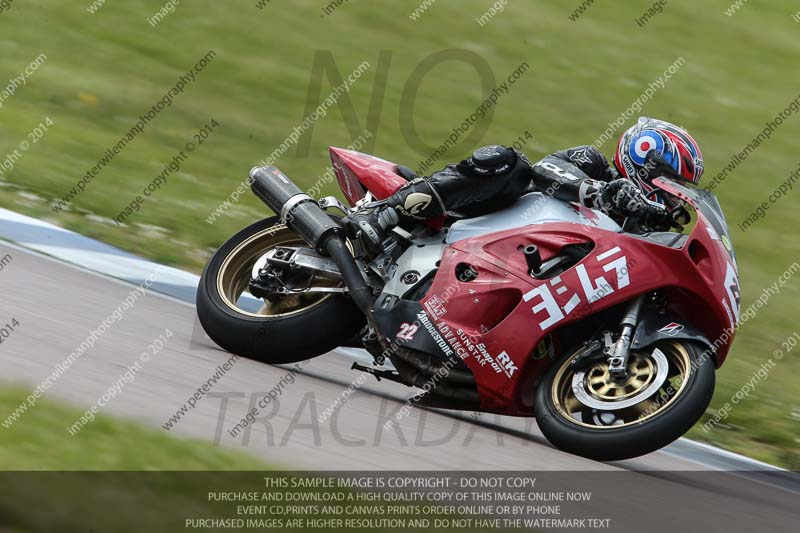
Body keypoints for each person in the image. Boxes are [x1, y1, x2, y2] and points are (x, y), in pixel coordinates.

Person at [344, 117, 704, 256]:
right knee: (510, 163)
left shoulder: (642, 228)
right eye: (669, 177)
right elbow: (547, 169)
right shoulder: (595, 164)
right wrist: (601, 194)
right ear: (642, 157)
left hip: (523, 276)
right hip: (480, 223)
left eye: (680, 185)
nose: (672, 190)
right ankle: (385, 212)